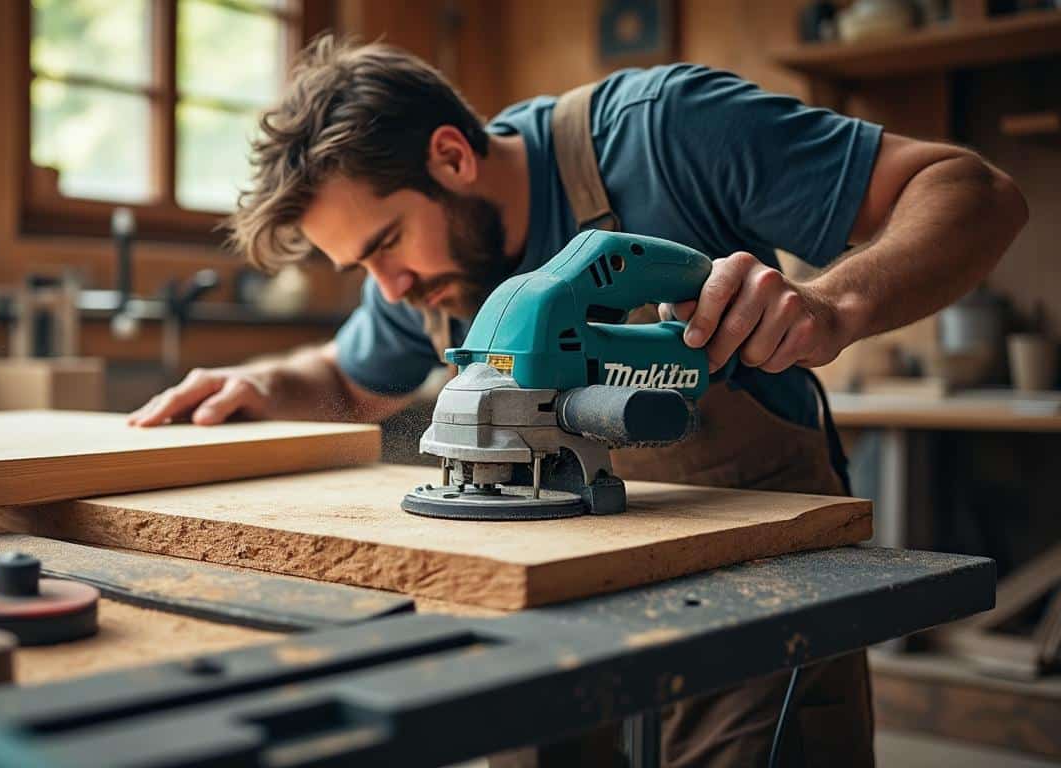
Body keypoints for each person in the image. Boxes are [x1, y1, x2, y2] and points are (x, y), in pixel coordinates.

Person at [129, 36, 1027, 766]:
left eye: (386, 244)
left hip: (750, 552)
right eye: (359, 265)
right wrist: (260, 385)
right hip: (538, 574)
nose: (389, 287)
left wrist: (834, 302)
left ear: (452, 155)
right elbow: (348, 379)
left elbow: (973, 191)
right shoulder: (427, 276)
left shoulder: (666, 129)